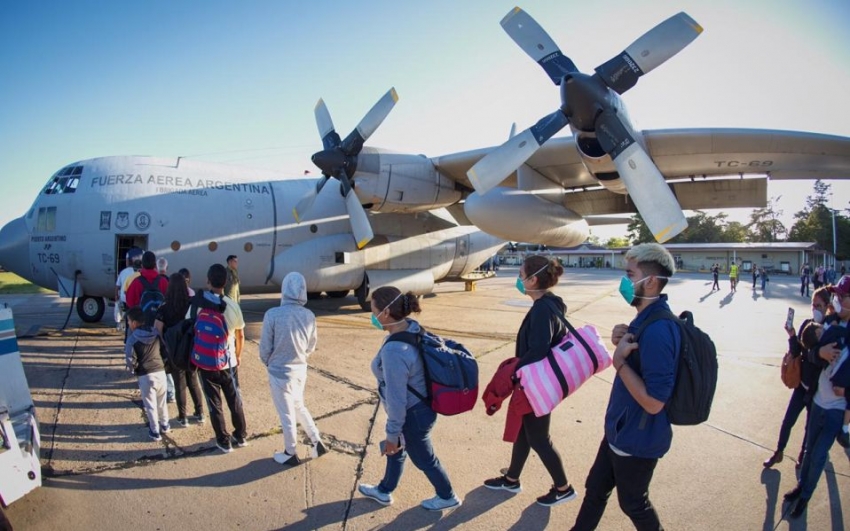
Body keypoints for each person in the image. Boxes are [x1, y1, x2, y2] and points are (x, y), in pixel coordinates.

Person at [570, 243, 680, 531]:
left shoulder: (658, 330)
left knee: (633, 503)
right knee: (595, 489)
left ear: (651, 281)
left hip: (638, 439)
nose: (625, 282)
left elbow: (655, 402)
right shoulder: (645, 320)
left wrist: (619, 363)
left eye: (630, 275)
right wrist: (625, 339)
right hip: (620, 431)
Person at [483, 255, 577, 507]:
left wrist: (515, 371)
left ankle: (563, 487)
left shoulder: (542, 309)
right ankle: (512, 478)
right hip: (536, 381)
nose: (519, 279)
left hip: (536, 383)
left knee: (538, 438)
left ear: (533, 279)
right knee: (525, 431)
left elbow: (539, 348)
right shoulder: (550, 304)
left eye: (521, 274)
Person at [357, 286, 462, 511]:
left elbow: (397, 399)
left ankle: (447, 495)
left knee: (424, 459)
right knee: (395, 452)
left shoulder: (395, 350)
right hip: (421, 407)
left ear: (385, 313)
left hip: (412, 415)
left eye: (373, 309)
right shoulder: (412, 328)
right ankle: (384, 491)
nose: (372, 314)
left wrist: (392, 433)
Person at [784, 275, 850, 518]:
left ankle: (806, 497)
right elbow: (808, 354)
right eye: (837, 296)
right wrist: (818, 352)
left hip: (836, 409)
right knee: (809, 450)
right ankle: (801, 487)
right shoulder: (830, 322)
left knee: (820, 453)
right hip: (817, 400)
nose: (837, 300)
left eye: (842, 296)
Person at [260, 272, 327, 466]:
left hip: (279, 372)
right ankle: (316, 441)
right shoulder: (309, 315)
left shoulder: (272, 314)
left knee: (286, 413)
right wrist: (301, 357)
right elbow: (311, 345)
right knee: (298, 405)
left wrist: (268, 362)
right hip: (300, 370)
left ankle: (290, 451)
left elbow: (265, 347)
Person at [763, 287, 831, 469]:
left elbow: (823, 361)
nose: (815, 309)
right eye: (813, 305)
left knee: (809, 427)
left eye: (819, 305)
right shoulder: (807, 324)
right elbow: (797, 352)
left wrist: (813, 353)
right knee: (788, 420)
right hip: (802, 385)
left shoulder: (829, 330)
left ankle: (803, 455)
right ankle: (779, 452)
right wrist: (792, 336)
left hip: (817, 392)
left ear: (827, 306)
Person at [190, 263, 247, 453]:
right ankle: (240, 435)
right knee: (234, 399)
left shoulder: (198, 305)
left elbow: (191, 329)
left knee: (214, 402)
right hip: (228, 362)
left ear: (208, 281)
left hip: (206, 362)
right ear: (226, 282)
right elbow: (240, 335)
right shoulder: (232, 305)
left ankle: (223, 440)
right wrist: (237, 355)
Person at [154, 273, 205, 427]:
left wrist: (166, 344)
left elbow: (158, 329)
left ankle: (183, 417)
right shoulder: (191, 305)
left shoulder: (164, 307)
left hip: (174, 350)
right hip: (190, 347)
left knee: (179, 383)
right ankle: (200, 412)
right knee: (194, 381)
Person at [124, 306, 169, 441]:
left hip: (145, 375)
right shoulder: (155, 332)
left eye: (128, 321)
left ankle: (155, 431)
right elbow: (164, 350)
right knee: (162, 402)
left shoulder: (132, 340)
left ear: (133, 323)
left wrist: (134, 371)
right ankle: (165, 425)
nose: (128, 324)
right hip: (160, 372)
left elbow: (130, 359)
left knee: (150, 405)